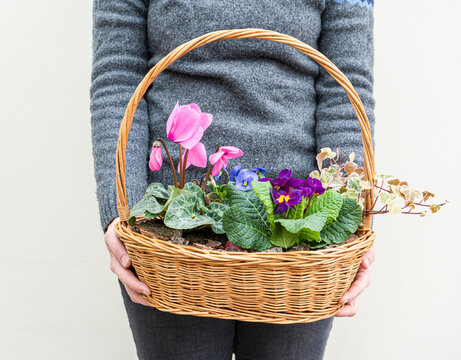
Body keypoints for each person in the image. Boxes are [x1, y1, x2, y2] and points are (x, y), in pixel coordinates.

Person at [91, 0, 376, 359]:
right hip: (170, 229)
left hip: (296, 229)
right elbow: (118, 76)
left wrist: (350, 219)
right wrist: (122, 213)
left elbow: (346, 86)